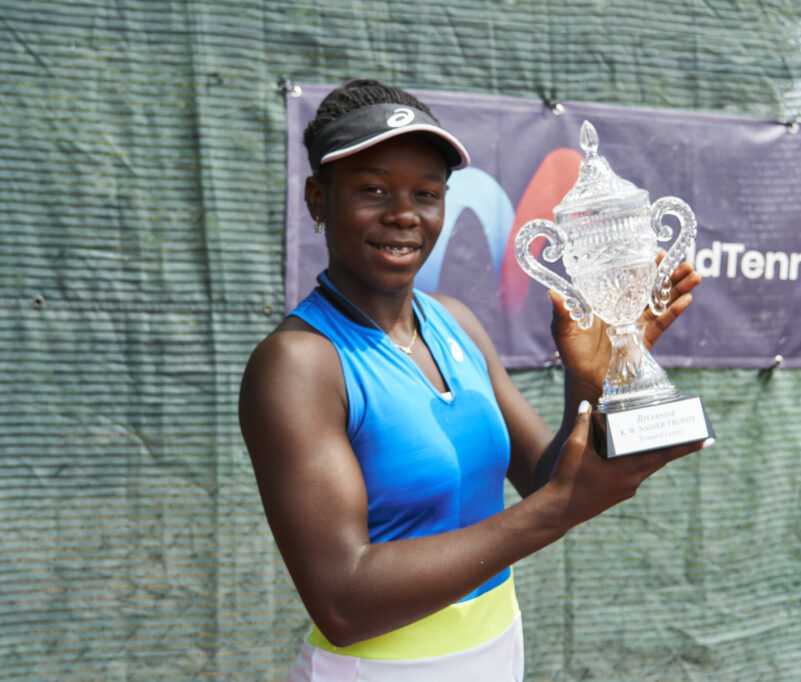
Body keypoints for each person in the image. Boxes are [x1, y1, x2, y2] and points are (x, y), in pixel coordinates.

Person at [238, 78, 711, 681]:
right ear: (316, 199)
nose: (404, 215)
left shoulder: (454, 321)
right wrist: (556, 513)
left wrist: (592, 378)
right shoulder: (299, 363)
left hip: (497, 652)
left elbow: (545, 476)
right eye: (373, 190)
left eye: (427, 193)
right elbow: (343, 601)